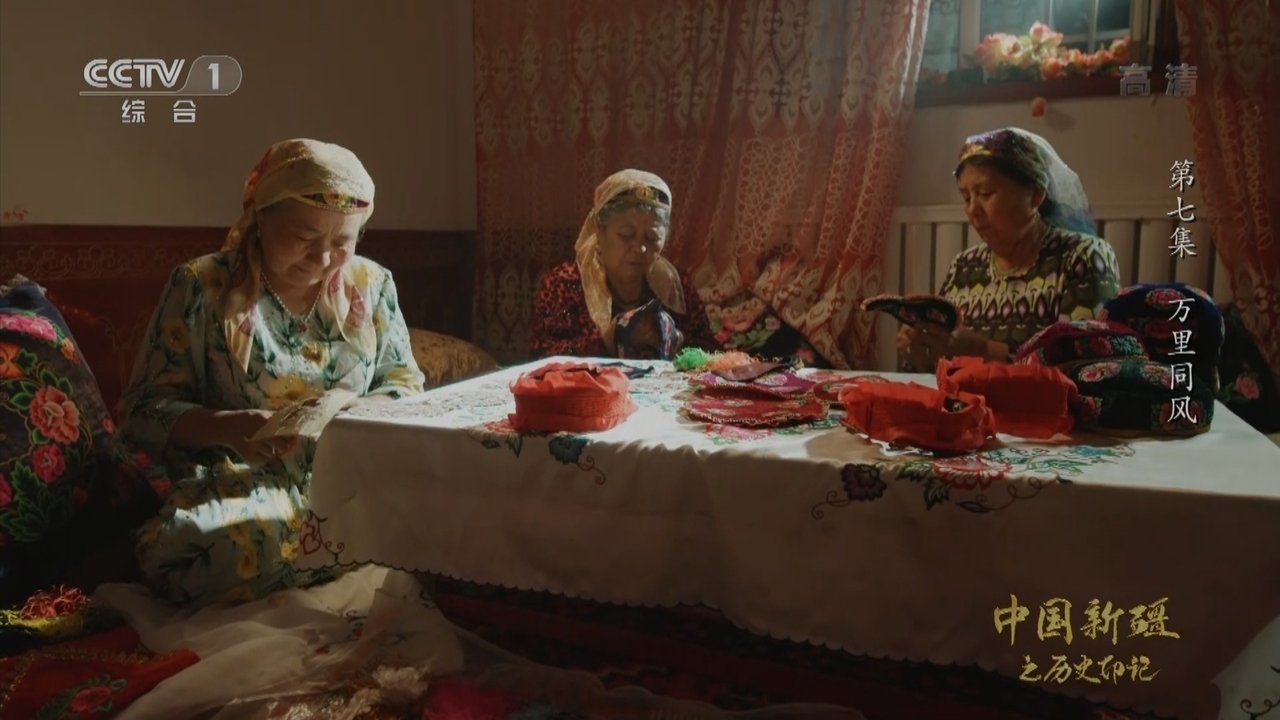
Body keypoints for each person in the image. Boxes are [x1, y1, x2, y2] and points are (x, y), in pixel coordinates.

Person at [119, 139, 426, 607]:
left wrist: (362, 411)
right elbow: (141, 412)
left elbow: (405, 383)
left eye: (342, 243)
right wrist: (230, 427)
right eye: (305, 237)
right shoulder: (202, 285)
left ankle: (317, 553)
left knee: (447, 509)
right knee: (212, 547)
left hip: (350, 477)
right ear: (260, 219)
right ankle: (338, 552)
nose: (323, 259)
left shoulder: (372, 284)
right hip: (251, 482)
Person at [899, 127, 1121, 370]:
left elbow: (1085, 368)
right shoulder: (965, 267)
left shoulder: (1082, 257)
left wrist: (983, 350)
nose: (972, 210)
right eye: (966, 197)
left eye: (986, 193)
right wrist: (924, 353)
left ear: (1035, 195)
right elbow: (945, 363)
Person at [529, 169, 716, 360]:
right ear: (600, 232)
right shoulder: (566, 284)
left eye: (652, 238)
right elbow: (542, 354)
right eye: (626, 235)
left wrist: (677, 339)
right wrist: (606, 340)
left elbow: (712, 351)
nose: (640, 248)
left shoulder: (674, 286)